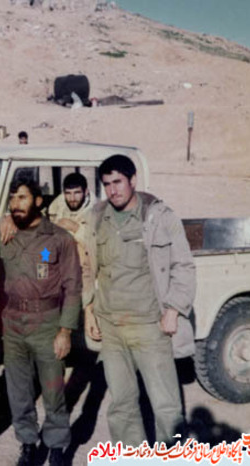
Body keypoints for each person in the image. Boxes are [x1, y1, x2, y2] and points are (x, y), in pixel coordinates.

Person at [84, 154, 196, 446]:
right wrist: (89, 308)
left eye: (118, 182)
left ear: (133, 180)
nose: (113, 190)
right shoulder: (97, 216)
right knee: (121, 405)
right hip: (111, 327)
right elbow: (88, 265)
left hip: (149, 326)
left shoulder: (159, 216)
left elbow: (183, 265)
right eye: (107, 184)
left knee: (166, 406)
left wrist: (173, 309)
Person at [0, 177, 81, 466]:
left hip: (47, 324)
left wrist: (65, 331)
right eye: (12, 198)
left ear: (39, 201)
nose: (15, 204)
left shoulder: (59, 239)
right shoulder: (5, 233)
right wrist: (1, 221)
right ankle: (28, 443)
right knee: (19, 391)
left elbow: (73, 286)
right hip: (13, 324)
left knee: (53, 390)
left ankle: (56, 446)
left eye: (23, 197)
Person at [48, 173, 96, 338]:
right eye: (68, 193)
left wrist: (76, 228)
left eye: (77, 193)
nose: (72, 198)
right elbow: (46, 243)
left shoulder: (97, 211)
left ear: (86, 192)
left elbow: (97, 244)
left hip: (85, 267)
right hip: (60, 265)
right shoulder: (56, 208)